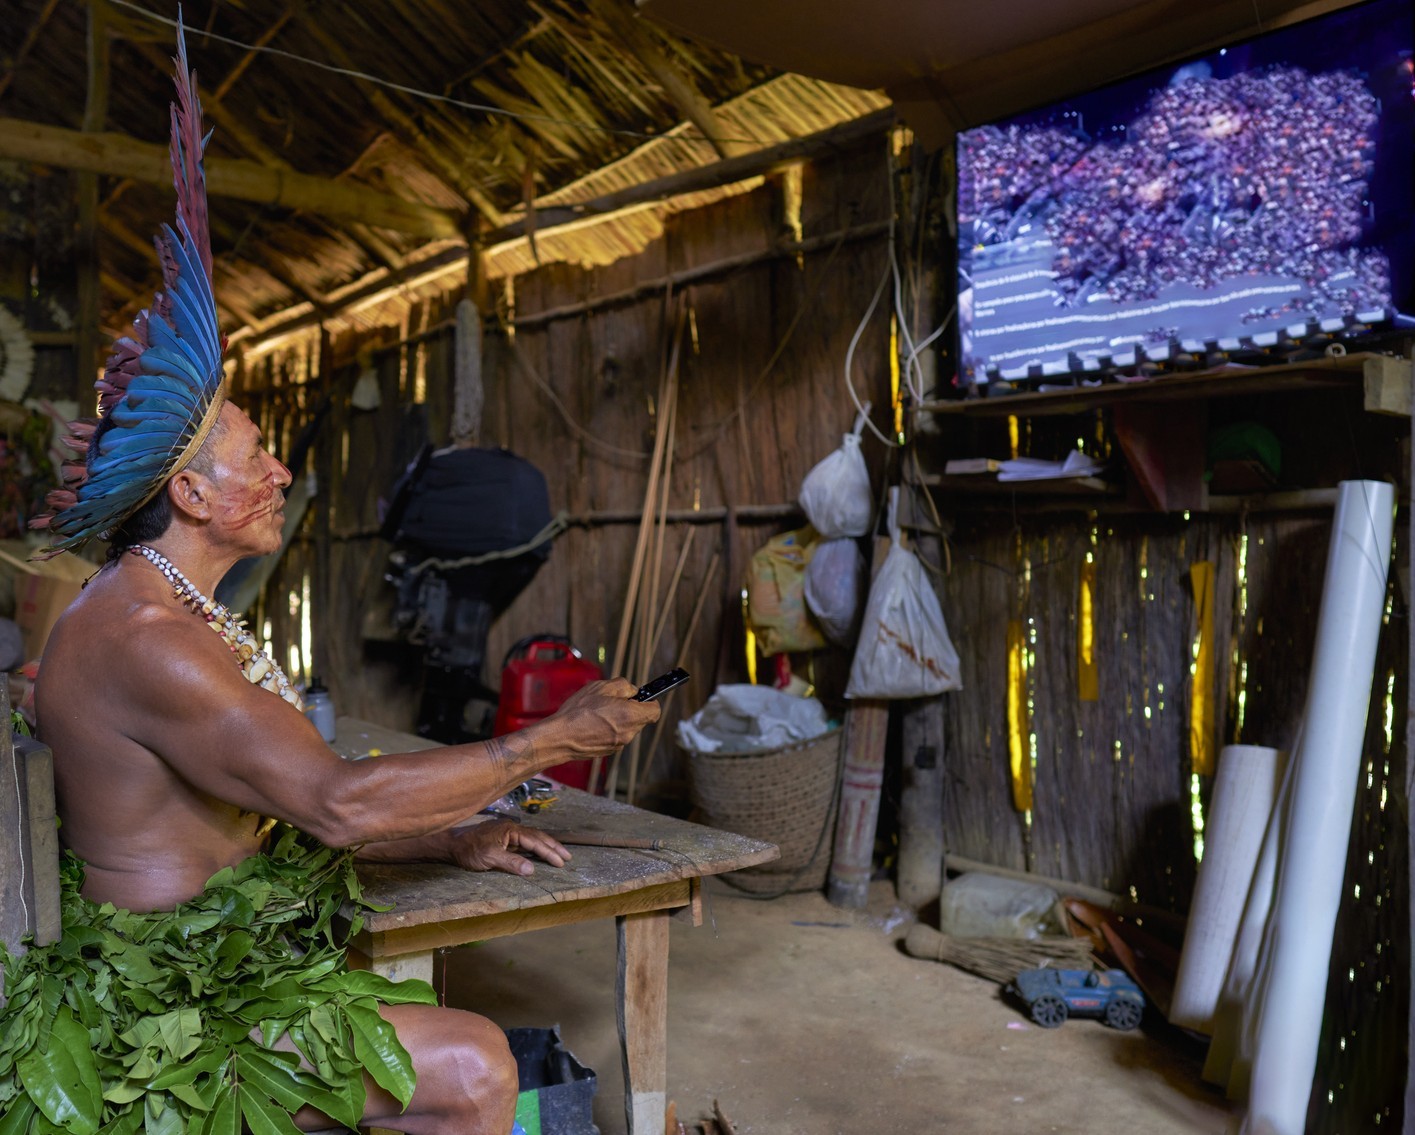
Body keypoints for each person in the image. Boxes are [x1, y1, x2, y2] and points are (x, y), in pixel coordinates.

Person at [0, 25, 658, 1135]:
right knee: (473, 1065)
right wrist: (548, 742)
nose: (280, 472)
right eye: (255, 458)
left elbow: (271, 809)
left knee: (422, 1009)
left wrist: (453, 834)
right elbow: (338, 804)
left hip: (219, 959)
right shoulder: (146, 637)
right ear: (194, 497)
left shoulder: (156, 600)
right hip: (174, 1015)